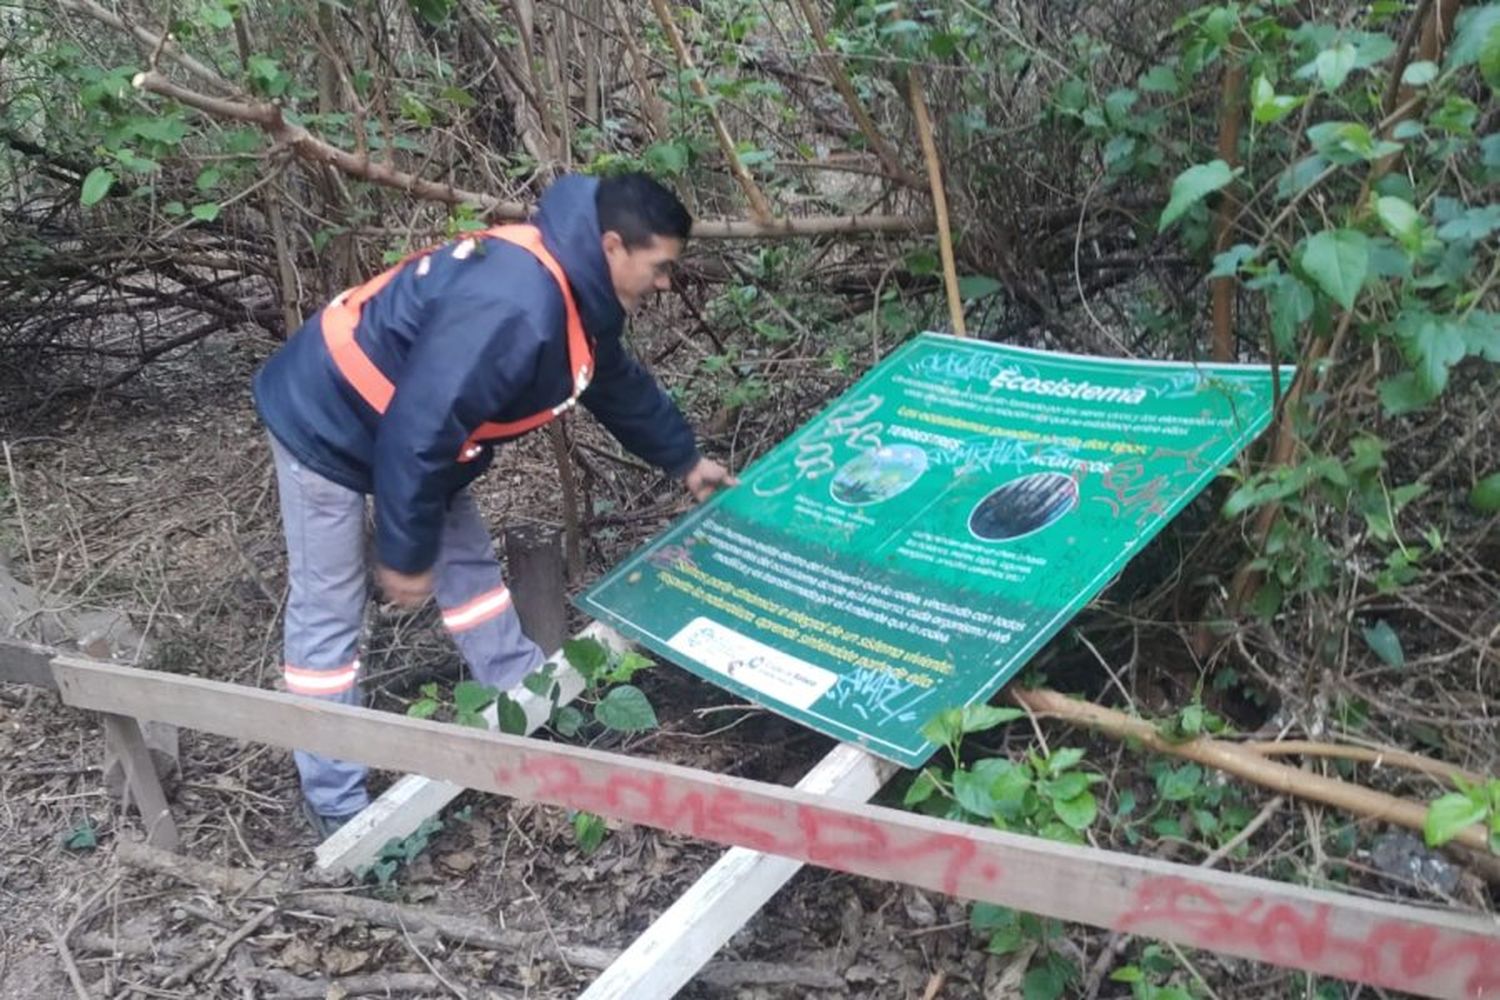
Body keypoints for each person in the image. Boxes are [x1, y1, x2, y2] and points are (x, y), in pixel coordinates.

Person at [253, 173, 735, 835]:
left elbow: (612, 381)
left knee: (473, 577)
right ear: (615, 245)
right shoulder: (516, 305)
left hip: (414, 432)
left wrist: (685, 458)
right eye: (659, 267)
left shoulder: (575, 289)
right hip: (325, 419)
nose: (664, 284)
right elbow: (419, 430)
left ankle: (528, 705)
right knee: (329, 607)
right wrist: (404, 553)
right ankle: (336, 800)